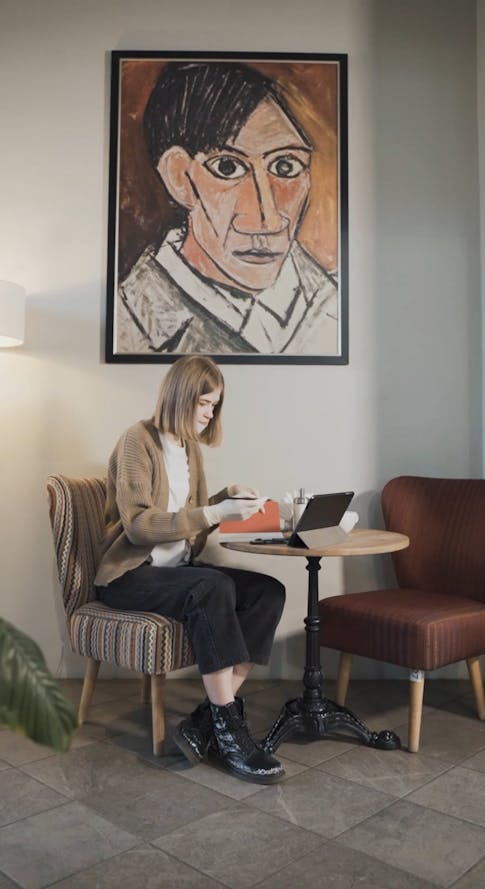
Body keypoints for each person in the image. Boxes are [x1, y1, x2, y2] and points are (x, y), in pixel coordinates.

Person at [94, 355, 286, 783]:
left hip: (178, 569)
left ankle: (207, 721)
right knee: (212, 585)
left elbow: (189, 514)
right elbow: (141, 525)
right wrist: (216, 510)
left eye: (215, 406)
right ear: (181, 396)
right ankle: (230, 731)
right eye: (204, 403)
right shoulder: (136, 441)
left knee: (268, 591)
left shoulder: (189, 450)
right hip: (129, 576)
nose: (209, 413)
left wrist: (227, 497)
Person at [116, 61, 338, 356]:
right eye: (228, 167)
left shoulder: (336, 304)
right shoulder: (128, 322)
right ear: (179, 177)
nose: (267, 219)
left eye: (286, 166)